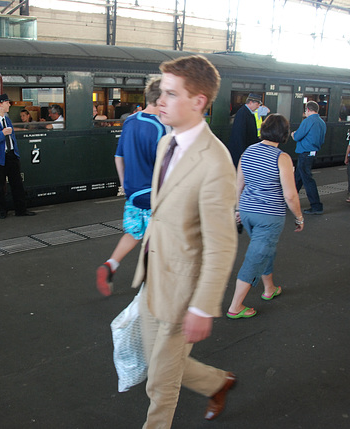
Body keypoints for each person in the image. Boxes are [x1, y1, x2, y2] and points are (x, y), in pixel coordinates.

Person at [130, 55, 238, 428]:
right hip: (153, 279)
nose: (160, 100)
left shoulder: (216, 163)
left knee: (160, 382)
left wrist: (202, 306)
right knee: (157, 361)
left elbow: (222, 243)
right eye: (161, 91)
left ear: (198, 102)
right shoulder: (167, 144)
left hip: (184, 293)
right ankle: (217, 382)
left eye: (171, 94)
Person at [227, 114, 304, 319]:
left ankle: (269, 288)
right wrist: (299, 216)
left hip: (247, 212)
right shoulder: (282, 158)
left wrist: (237, 209)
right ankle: (236, 306)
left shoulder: (248, 152)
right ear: (284, 133)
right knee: (256, 256)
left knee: (264, 249)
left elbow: (239, 184)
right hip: (269, 216)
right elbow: (290, 194)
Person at [96, 77, 166, 296]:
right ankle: (154, 282)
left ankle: (110, 265)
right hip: (155, 194)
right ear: (162, 98)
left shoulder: (130, 120)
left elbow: (118, 157)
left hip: (134, 192)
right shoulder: (161, 127)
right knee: (161, 237)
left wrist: (125, 186)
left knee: (134, 232)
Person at [0, 94, 36, 219]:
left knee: (17, 184)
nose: (9, 105)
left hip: (11, 156)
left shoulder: (7, 120)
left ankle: (21, 210)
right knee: (0, 186)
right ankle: (3, 211)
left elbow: (12, 139)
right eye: (7, 102)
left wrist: (15, 153)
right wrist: (2, 133)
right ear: (0, 104)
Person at [291, 101, 326, 215]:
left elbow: (297, 136)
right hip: (312, 153)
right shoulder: (321, 122)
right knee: (298, 178)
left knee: (307, 180)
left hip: (304, 153)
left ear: (308, 110)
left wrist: (293, 134)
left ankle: (316, 206)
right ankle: (289, 200)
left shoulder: (308, 121)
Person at [228, 93, 262, 166]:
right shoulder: (242, 113)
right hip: (241, 152)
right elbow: (239, 134)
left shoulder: (247, 113)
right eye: (257, 104)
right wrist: (242, 153)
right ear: (250, 102)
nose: (258, 106)